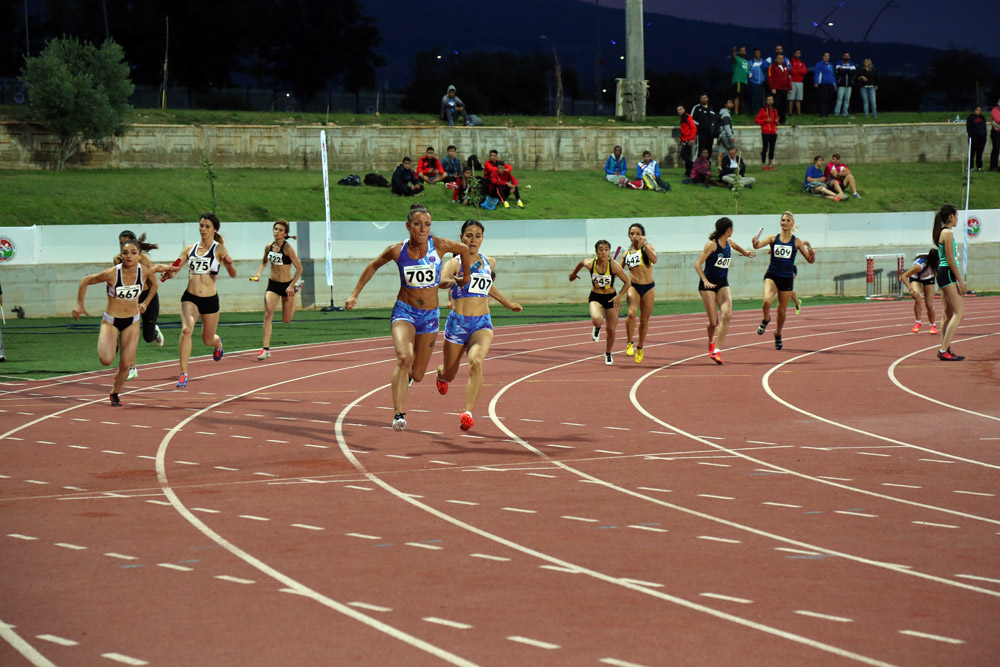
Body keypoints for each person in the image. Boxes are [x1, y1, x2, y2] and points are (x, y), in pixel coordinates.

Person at [344, 203, 472, 431]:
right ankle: (398, 414)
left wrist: (465, 277)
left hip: (430, 316)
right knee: (404, 358)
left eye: (427, 225)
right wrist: (355, 294)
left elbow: (463, 249)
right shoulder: (397, 250)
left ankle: (411, 377)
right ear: (408, 226)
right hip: (405, 311)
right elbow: (373, 265)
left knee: (419, 373)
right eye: (417, 225)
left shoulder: (439, 245)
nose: (423, 229)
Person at [434, 219, 522, 431]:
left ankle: (468, 412)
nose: (473, 240)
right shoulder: (453, 263)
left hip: (482, 323)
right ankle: (440, 375)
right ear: (461, 237)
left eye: (477, 236)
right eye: (469, 235)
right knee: (449, 373)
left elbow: (488, 285)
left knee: (476, 361)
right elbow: (440, 281)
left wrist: (507, 303)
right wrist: (454, 280)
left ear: (482, 238)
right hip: (457, 324)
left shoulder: (488, 262)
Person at [71, 239, 159, 406]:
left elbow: (154, 285)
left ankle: (115, 392)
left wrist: (146, 303)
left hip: (132, 321)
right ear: (120, 255)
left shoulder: (145, 272)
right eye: (125, 253)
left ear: (140, 256)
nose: (129, 256)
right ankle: (113, 343)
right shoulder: (112, 273)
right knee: (106, 360)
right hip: (111, 321)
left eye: (133, 253)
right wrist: (80, 304)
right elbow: (85, 280)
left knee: (126, 363)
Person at [164, 212, 237, 388]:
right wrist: (169, 273)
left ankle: (217, 344)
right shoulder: (190, 249)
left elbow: (233, 274)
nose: (203, 229)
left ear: (215, 229)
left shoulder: (219, 249)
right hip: (190, 297)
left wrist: (229, 264)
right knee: (186, 330)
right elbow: (176, 266)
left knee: (207, 339)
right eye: (201, 226)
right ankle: (183, 373)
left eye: (207, 226)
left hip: (210, 300)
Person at [695, 217, 755, 364]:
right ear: (728, 230)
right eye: (732, 229)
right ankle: (710, 341)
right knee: (713, 321)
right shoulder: (712, 245)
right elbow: (697, 264)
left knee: (727, 315)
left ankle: (717, 350)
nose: (732, 231)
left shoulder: (728, 242)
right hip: (708, 285)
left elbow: (736, 247)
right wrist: (705, 281)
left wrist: (746, 253)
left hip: (722, 283)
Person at [752, 211, 816, 350]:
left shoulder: (797, 242)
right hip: (772, 275)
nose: (785, 222)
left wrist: (812, 255)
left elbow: (810, 260)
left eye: (788, 220)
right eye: (783, 220)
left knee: (781, 311)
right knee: (767, 301)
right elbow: (757, 246)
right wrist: (755, 243)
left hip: (787, 278)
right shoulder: (773, 238)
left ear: (792, 223)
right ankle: (766, 319)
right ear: (780, 223)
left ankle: (778, 334)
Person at [114, 230, 170, 381]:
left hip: (148, 298)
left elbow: (155, 285)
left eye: (124, 243)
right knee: (127, 335)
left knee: (147, 336)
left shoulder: (143, 259)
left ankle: (155, 332)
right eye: (120, 244)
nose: (122, 247)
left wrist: (145, 303)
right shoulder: (117, 260)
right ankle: (132, 368)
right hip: (131, 300)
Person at [569, 240, 631, 366]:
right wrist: (574, 274)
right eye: (601, 249)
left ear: (609, 251)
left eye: (606, 249)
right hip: (596, 296)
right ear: (596, 251)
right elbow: (581, 262)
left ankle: (608, 353)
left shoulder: (614, 266)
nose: (603, 252)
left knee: (611, 330)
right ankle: (597, 328)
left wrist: (619, 295)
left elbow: (627, 282)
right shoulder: (590, 263)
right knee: (597, 319)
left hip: (611, 298)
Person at [250, 219, 303, 360]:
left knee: (286, 320)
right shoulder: (269, 246)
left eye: (280, 230)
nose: (277, 232)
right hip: (273, 285)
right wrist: (259, 273)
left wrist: (291, 285)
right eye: (275, 229)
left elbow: (299, 268)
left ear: (285, 233)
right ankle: (265, 349)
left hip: (287, 286)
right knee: (268, 314)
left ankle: (296, 289)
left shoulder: (287, 248)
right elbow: (264, 261)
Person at [932, 204, 967, 360]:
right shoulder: (948, 233)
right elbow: (950, 260)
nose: (957, 218)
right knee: (959, 313)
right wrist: (960, 281)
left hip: (943, 273)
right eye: (957, 215)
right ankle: (943, 349)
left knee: (947, 315)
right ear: (951, 216)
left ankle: (944, 348)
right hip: (947, 274)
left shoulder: (943, 232)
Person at [621, 223, 657, 364]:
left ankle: (640, 347)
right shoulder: (626, 253)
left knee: (644, 320)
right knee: (631, 314)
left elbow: (654, 259)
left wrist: (645, 245)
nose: (634, 236)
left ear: (642, 235)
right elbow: (617, 269)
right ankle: (629, 342)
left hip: (648, 288)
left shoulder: (649, 248)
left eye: (637, 233)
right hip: (633, 286)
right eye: (632, 234)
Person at [901, 248, 939, 335]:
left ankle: (932, 325)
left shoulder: (936, 265)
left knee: (929, 303)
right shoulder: (919, 266)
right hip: (916, 278)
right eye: (938, 261)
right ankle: (918, 322)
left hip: (928, 278)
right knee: (918, 296)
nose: (939, 262)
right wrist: (910, 289)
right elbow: (903, 276)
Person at [755, 95, 779, 170]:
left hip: (773, 132)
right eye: (768, 100)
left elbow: (777, 118)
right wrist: (765, 121)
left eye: (771, 100)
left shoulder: (774, 110)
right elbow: (756, 120)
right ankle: (764, 165)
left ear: (773, 101)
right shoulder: (763, 110)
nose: (770, 101)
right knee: (765, 148)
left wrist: (776, 121)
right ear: (766, 101)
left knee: (772, 149)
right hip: (765, 132)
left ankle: (770, 165)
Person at [691, 93, 718, 158]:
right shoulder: (697, 107)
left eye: (705, 98)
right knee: (700, 149)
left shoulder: (711, 108)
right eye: (702, 98)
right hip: (700, 133)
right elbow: (691, 119)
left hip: (710, 134)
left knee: (709, 150)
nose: (703, 99)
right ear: (700, 99)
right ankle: (697, 166)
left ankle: (707, 165)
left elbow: (715, 120)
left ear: (707, 99)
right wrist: (700, 125)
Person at [768, 54, 791, 125]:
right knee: (776, 105)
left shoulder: (785, 67)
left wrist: (790, 88)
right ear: (776, 59)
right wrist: (772, 88)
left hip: (784, 89)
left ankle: (783, 120)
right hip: (776, 89)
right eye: (779, 58)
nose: (780, 60)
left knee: (784, 105)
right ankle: (775, 119)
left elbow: (788, 78)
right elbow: (770, 77)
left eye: (781, 58)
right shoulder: (772, 66)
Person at [677, 106, 698, 177]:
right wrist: (681, 138)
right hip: (685, 139)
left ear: (684, 109)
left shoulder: (687, 117)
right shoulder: (682, 118)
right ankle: (688, 173)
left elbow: (694, 127)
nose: (679, 111)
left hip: (688, 140)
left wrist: (691, 138)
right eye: (678, 110)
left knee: (683, 154)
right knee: (687, 156)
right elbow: (685, 129)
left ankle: (694, 166)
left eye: (680, 109)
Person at [833, 51, 856, 117]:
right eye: (845, 56)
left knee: (847, 100)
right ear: (843, 56)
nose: (846, 57)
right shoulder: (838, 63)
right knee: (839, 99)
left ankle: (845, 113)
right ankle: (836, 113)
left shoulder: (851, 64)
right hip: (841, 85)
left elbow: (853, 72)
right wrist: (848, 70)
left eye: (847, 56)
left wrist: (843, 70)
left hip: (849, 85)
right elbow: (838, 71)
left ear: (849, 57)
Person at [814, 52, 836, 118]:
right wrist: (816, 82)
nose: (827, 57)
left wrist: (835, 84)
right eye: (825, 56)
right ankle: (823, 114)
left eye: (828, 56)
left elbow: (833, 75)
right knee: (823, 99)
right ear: (823, 57)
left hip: (830, 85)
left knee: (829, 99)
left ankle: (827, 113)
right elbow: (817, 74)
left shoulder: (830, 65)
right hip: (823, 84)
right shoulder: (819, 64)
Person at [967, 105, 987, 173]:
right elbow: (969, 128)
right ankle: (971, 167)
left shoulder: (982, 117)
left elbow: (984, 127)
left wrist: (984, 135)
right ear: (974, 110)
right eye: (977, 110)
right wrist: (971, 136)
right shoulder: (970, 118)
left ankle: (979, 167)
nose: (978, 111)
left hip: (982, 138)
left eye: (980, 110)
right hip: (974, 137)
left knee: (979, 153)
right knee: (972, 153)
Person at [747, 48, 768, 115]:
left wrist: (763, 79)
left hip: (761, 83)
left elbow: (765, 72)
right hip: (753, 83)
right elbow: (748, 70)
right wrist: (750, 75)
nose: (757, 54)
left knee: (760, 99)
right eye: (755, 53)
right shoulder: (751, 62)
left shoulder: (763, 62)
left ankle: (759, 112)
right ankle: (752, 112)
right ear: (754, 54)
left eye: (758, 53)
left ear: (760, 53)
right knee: (753, 98)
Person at [730, 46, 749, 115]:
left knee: (743, 97)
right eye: (741, 50)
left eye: (744, 50)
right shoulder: (736, 59)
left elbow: (748, 71)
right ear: (738, 52)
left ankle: (742, 111)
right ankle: (736, 112)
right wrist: (733, 52)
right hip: (738, 80)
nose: (743, 52)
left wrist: (749, 74)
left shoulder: (746, 61)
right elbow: (733, 57)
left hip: (745, 81)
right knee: (737, 96)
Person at [788, 49, 808, 117]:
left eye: (799, 53)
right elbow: (791, 71)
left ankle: (799, 112)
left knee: (799, 98)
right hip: (792, 82)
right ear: (794, 54)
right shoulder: (790, 62)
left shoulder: (802, 62)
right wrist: (800, 70)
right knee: (791, 98)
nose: (798, 54)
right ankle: (790, 112)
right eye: (796, 53)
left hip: (800, 82)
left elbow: (805, 71)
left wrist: (797, 70)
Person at [990, 96, 1000, 172]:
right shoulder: (995, 110)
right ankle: (993, 166)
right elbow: (997, 119)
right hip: (996, 132)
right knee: (996, 149)